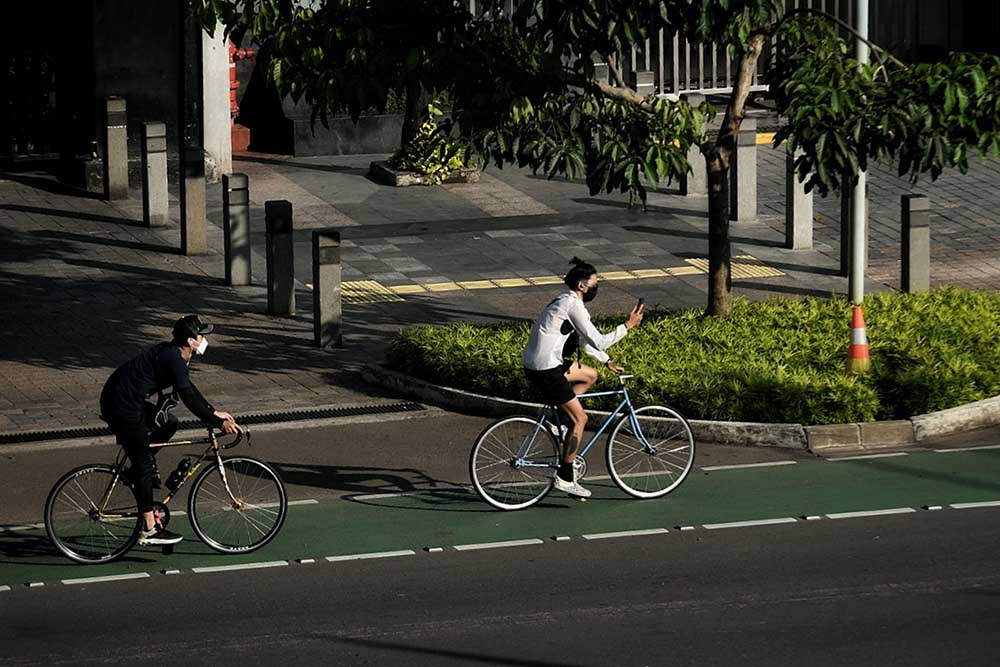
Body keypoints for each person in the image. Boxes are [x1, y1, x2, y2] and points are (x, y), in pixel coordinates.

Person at [99, 315, 241, 546]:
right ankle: (148, 529)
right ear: (190, 340)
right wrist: (216, 423)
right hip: (121, 405)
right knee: (144, 464)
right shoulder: (174, 358)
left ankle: (138, 471)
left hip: (126, 399)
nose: (205, 339)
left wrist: (214, 412)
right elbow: (188, 398)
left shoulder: (178, 356)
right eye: (201, 335)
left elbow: (189, 389)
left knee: (169, 424)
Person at [522, 257, 644, 498]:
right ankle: (565, 477)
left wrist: (606, 360)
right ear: (581, 285)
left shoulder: (564, 301)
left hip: (542, 364)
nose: (596, 287)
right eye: (594, 283)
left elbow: (586, 344)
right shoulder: (573, 306)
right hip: (546, 369)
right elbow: (597, 339)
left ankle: (562, 425)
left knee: (590, 374)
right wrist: (627, 327)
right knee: (581, 418)